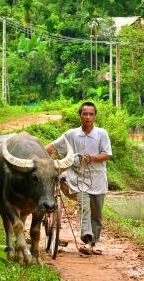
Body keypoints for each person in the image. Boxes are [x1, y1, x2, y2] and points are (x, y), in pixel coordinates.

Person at [45, 101, 112, 256]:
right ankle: (87, 238)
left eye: (91, 114)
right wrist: (39, 157)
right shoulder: (71, 134)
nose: (88, 117)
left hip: (97, 178)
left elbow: (107, 154)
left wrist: (93, 158)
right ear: (80, 115)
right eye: (85, 114)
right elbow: (52, 147)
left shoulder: (101, 133)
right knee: (84, 206)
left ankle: (92, 245)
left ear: (95, 116)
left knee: (97, 213)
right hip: (77, 178)